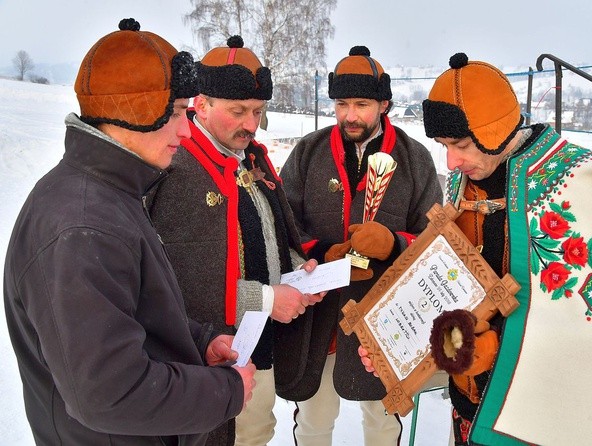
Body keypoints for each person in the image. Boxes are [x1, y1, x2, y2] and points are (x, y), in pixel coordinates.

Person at [363, 52, 592, 445]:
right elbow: (446, 283)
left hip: (543, 426)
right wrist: (392, 344)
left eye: (460, 144)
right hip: (469, 407)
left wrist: (499, 349)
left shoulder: (586, 184)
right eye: (443, 145)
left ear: (495, 131)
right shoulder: (463, 184)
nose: (451, 161)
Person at [3, 19, 256, 446]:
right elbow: (109, 394)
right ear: (137, 112)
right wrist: (226, 391)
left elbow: (132, 310)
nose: (185, 129)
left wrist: (201, 341)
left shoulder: (110, 192)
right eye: (176, 113)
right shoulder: (83, 225)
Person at [148, 36, 325, 446]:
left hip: (256, 346)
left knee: (257, 431)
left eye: (258, 112)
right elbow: (176, 284)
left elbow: (270, 231)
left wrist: (298, 273)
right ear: (202, 104)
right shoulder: (175, 165)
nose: (250, 123)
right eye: (238, 111)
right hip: (207, 357)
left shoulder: (250, 155)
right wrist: (267, 299)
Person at [279, 45, 443, 446]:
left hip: (385, 317)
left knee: (383, 420)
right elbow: (284, 220)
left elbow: (436, 241)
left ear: (384, 103)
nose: (350, 115)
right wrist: (320, 252)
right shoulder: (308, 151)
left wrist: (393, 243)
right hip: (319, 313)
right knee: (315, 419)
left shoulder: (415, 158)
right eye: (342, 103)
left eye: (362, 104)